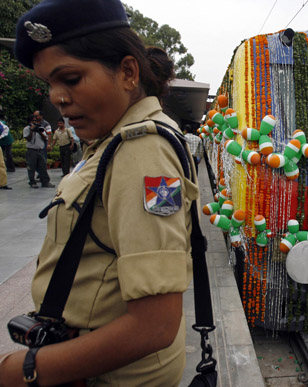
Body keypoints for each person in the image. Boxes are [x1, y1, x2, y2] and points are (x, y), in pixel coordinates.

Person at [0, 0, 199, 385]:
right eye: (50, 84)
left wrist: (24, 370)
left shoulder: (142, 151)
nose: (57, 97)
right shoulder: (111, 141)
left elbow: (154, 325)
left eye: (70, 79)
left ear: (127, 71)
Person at [22, 114, 54, 188]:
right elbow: (28, 139)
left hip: (40, 150)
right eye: (33, 121)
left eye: (35, 121)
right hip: (31, 150)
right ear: (29, 121)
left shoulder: (40, 128)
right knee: (31, 167)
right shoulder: (26, 129)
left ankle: (45, 182)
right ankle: (32, 182)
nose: (34, 122)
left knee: (43, 167)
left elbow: (45, 138)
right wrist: (32, 130)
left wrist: (39, 131)